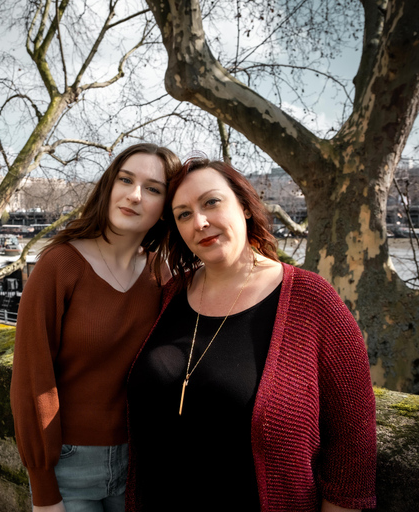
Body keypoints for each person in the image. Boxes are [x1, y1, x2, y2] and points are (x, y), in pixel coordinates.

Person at [126, 155, 377, 512]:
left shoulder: (311, 300)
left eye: (211, 202)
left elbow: (353, 441)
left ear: (244, 206)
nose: (199, 222)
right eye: (183, 214)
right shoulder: (169, 295)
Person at [10, 143, 181, 512]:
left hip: (139, 463)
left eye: (153, 189)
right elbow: (31, 379)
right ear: (109, 185)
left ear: (166, 208)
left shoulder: (162, 274)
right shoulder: (59, 265)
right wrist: (43, 490)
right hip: (69, 467)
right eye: (126, 179)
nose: (134, 195)